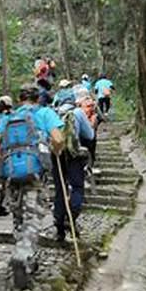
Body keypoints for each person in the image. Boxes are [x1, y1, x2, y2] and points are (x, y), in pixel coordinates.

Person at [0, 84, 65, 289]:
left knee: (19, 217)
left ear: (20, 99)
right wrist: (55, 152)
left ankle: (29, 260)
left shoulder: (8, 118)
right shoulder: (45, 113)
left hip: (12, 175)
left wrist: (1, 162)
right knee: (33, 217)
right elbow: (58, 138)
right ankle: (22, 256)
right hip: (35, 175)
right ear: (38, 98)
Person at [52, 94, 95, 245]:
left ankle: (59, 230)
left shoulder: (53, 112)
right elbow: (90, 135)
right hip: (73, 155)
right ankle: (70, 218)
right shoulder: (78, 113)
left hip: (56, 155)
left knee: (60, 189)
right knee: (77, 187)